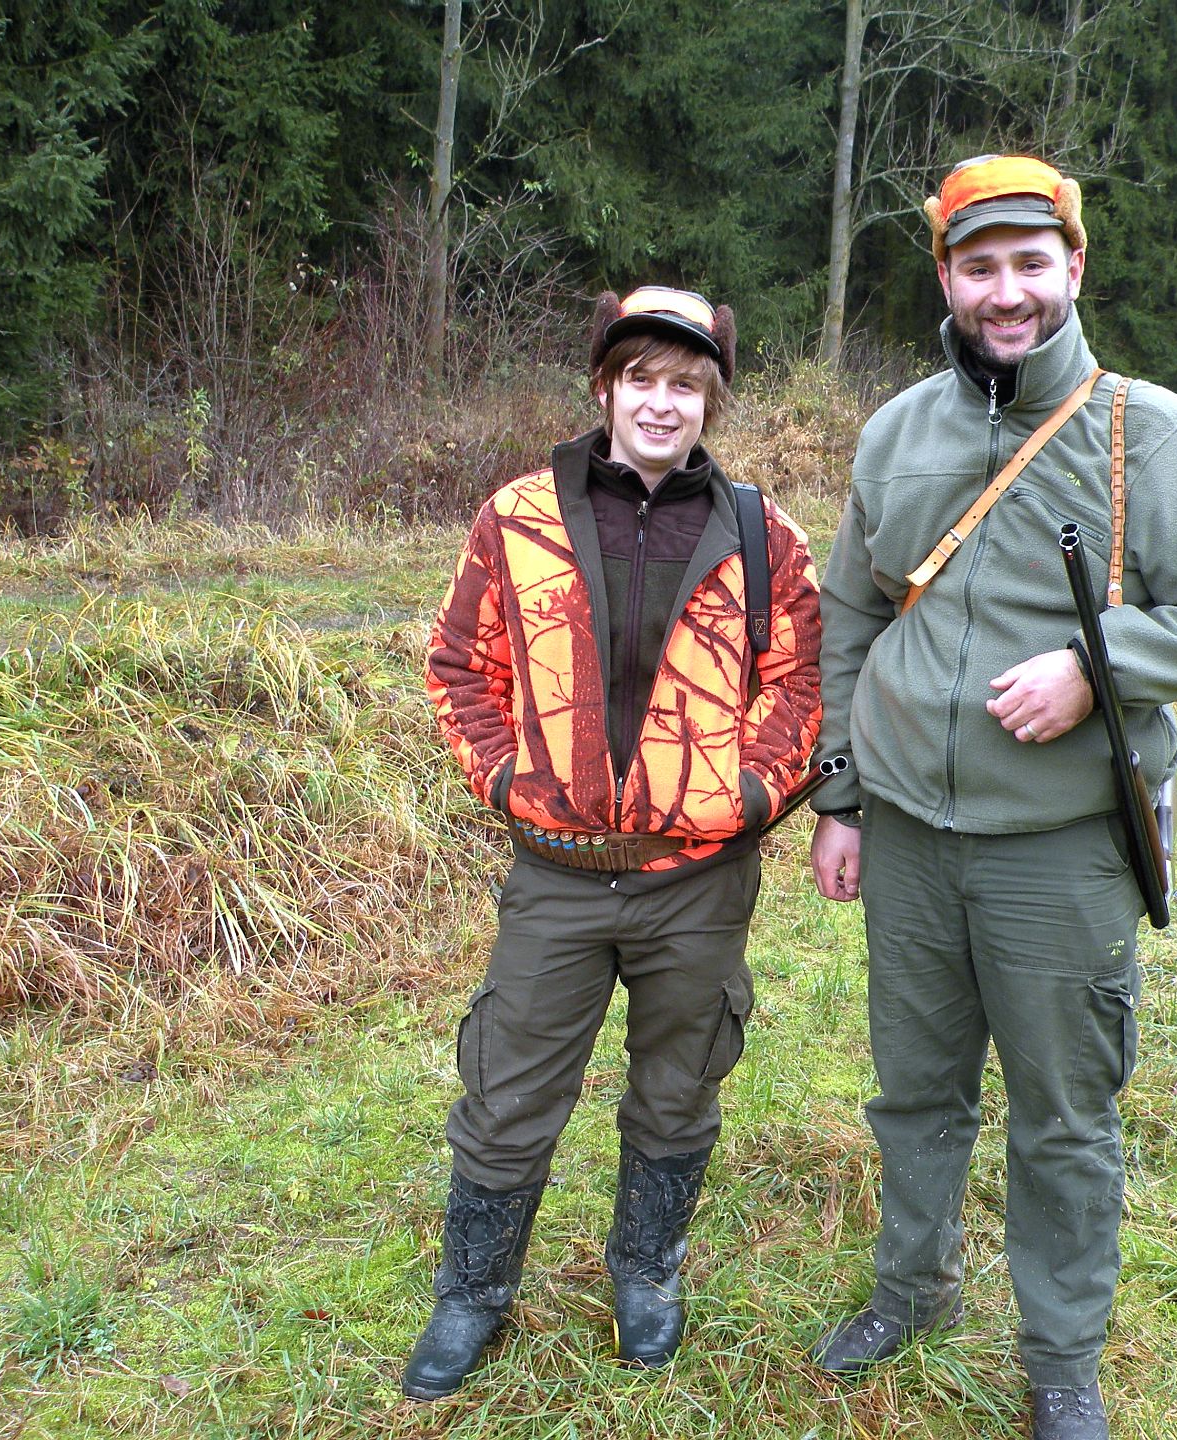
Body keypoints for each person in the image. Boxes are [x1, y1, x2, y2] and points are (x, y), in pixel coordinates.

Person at [806, 155, 1177, 1438]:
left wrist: (1095, 668)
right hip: (909, 834)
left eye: (1030, 263)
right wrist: (840, 796)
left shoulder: (1152, 434)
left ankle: (1062, 1358)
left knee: (1064, 1116)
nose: (1005, 291)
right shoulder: (895, 433)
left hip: (1060, 846)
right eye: (979, 267)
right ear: (946, 279)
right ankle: (910, 1292)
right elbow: (849, 616)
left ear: (1074, 267)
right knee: (914, 1091)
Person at [408, 285, 822, 1400]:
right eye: (640, 378)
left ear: (710, 401)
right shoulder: (517, 517)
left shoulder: (762, 535)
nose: (660, 402)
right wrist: (507, 779)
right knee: (508, 1088)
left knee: (679, 1084)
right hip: (558, 873)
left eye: (685, 384)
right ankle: (473, 1293)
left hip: (697, 879)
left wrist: (745, 795)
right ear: (604, 387)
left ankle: (645, 1272)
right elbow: (460, 668)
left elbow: (800, 684)